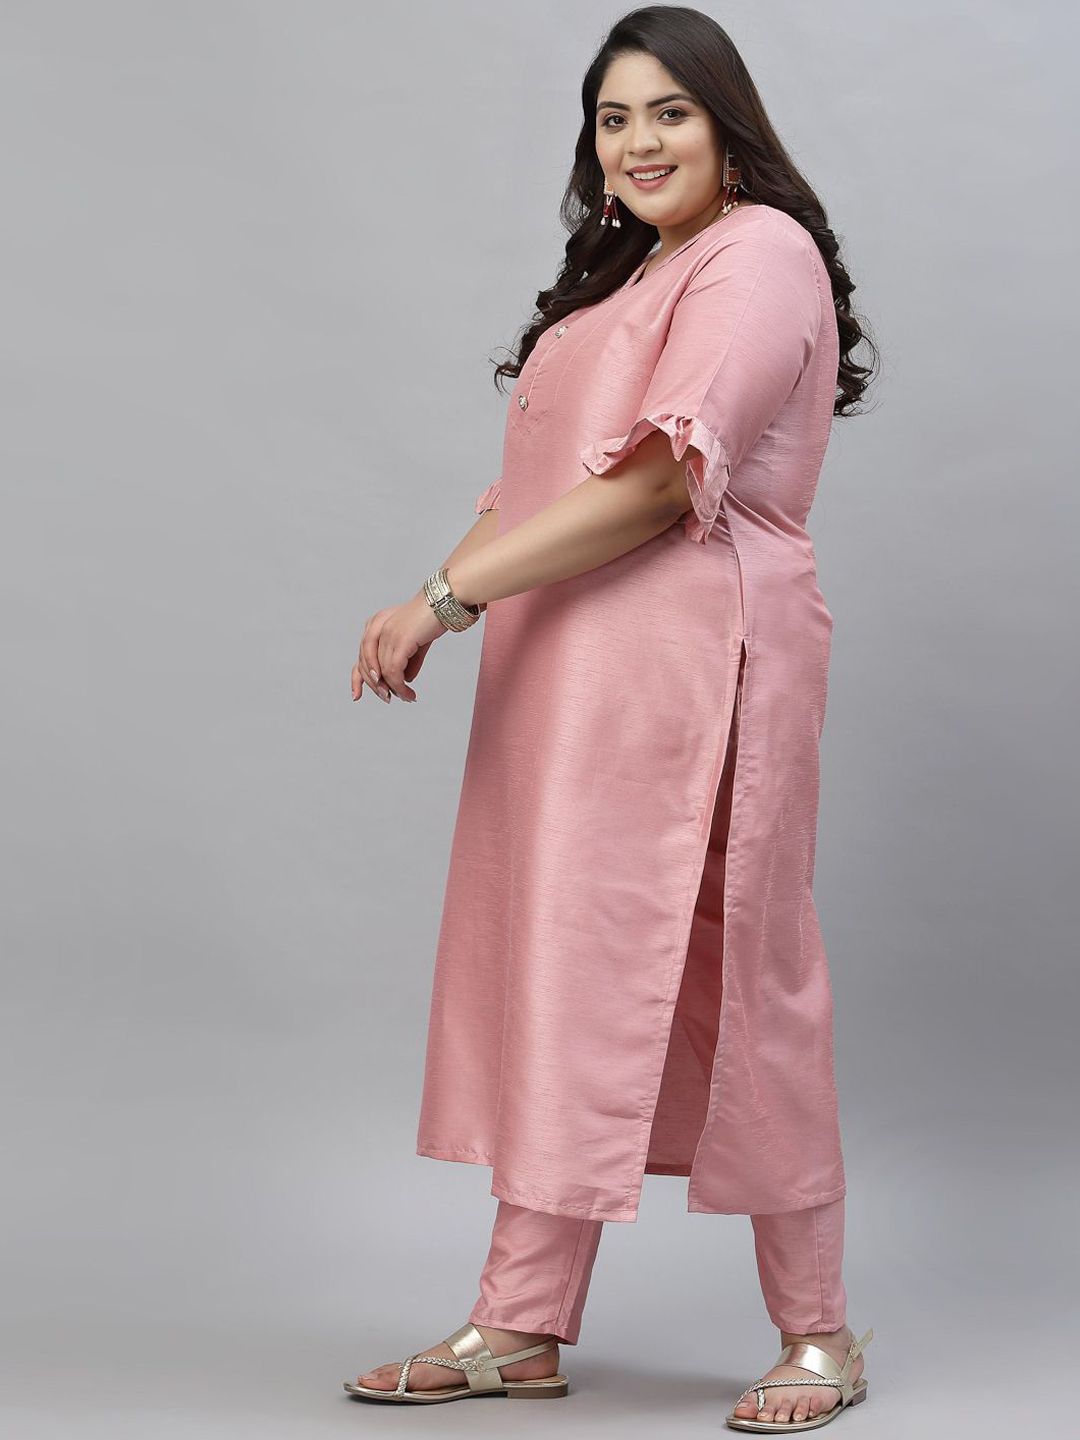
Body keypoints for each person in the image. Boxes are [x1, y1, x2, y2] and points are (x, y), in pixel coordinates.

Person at [345, 7, 879, 1430]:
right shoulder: (632, 276)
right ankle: (519, 1321)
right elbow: (543, 489)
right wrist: (450, 590)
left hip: (699, 666)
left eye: (670, 112)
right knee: (566, 967)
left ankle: (820, 1330)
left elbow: (656, 487)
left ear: (729, 127)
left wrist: (445, 598)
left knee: (747, 971)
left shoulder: (757, 254)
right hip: (571, 675)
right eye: (612, 117)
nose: (638, 142)